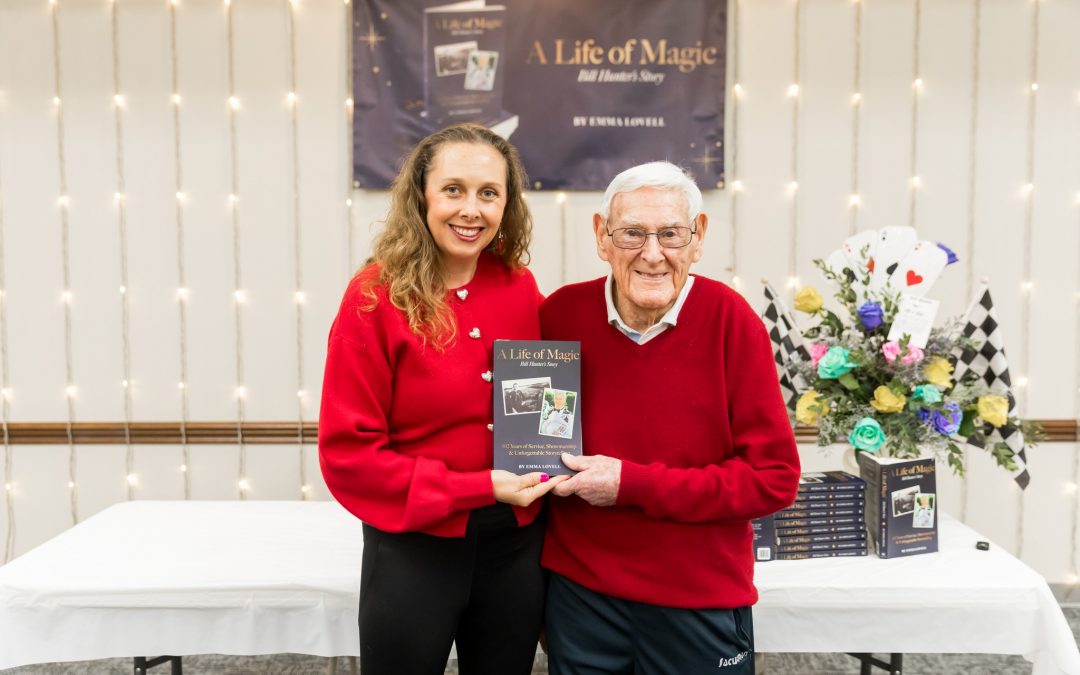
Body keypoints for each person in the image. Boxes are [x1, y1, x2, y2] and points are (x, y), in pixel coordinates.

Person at [318, 123, 566, 675]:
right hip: (413, 546)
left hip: (517, 544)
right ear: (421, 197)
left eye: (488, 192)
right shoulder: (373, 298)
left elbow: (547, 405)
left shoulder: (519, 286)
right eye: (453, 189)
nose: (470, 209)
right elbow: (348, 456)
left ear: (507, 204)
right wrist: (480, 487)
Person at [539, 161, 801, 675]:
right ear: (601, 236)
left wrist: (630, 484)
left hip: (697, 598)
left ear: (698, 237)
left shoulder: (732, 323)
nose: (652, 254)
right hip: (581, 594)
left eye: (671, 234)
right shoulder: (559, 316)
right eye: (633, 233)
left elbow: (773, 481)